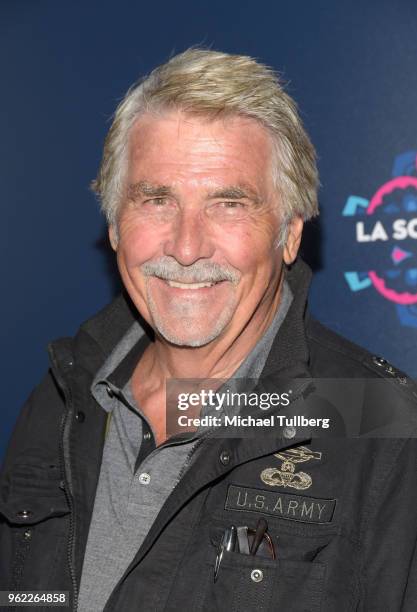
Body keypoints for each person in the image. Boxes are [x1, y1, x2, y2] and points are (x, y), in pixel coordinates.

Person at [1, 48, 416, 612]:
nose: (187, 247)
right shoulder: (62, 398)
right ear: (115, 225)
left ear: (290, 233)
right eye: (156, 199)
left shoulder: (386, 426)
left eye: (228, 203)